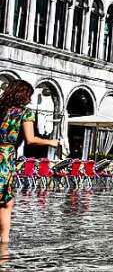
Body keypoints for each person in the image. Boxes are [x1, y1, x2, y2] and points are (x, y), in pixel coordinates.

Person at [0, 81, 61, 245]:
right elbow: (31, 140)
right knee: (6, 203)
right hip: (4, 158)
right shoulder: (24, 113)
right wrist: (51, 142)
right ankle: (4, 247)